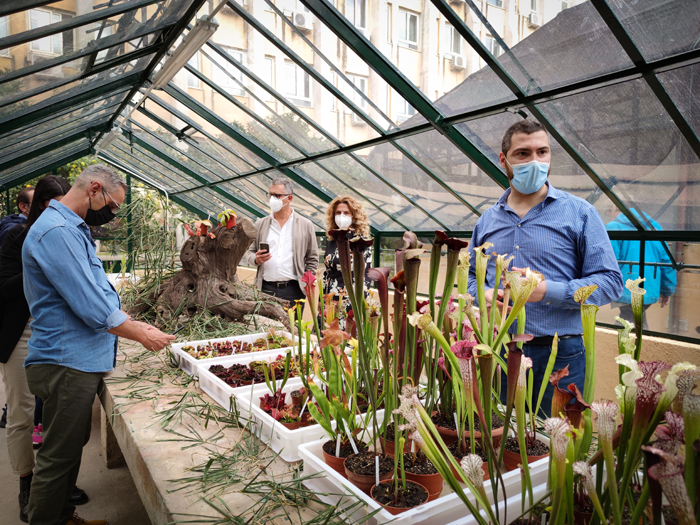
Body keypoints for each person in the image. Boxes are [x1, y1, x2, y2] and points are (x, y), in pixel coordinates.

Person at [22, 164, 175, 525]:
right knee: (57, 457)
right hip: (65, 361)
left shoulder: (71, 230)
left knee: (68, 449)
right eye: (113, 205)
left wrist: (132, 321)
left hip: (75, 359)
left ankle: (63, 516)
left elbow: (96, 296)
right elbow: (90, 304)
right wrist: (140, 333)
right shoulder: (58, 231)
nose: (113, 213)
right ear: (94, 189)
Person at [467, 120, 623, 418]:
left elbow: (610, 281)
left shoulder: (579, 213)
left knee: (557, 444)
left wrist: (548, 291)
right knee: (501, 436)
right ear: (504, 160)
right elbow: (470, 277)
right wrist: (484, 293)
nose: (535, 162)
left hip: (559, 352)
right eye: (523, 154)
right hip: (499, 348)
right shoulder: (487, 220)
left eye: (542, 152)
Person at [0, 176, 81, 522]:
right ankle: (26, 482)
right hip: (24, 333)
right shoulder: (18, 236)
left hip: (61, 333)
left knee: (58, 412)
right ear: (39, 205)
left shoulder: (74, 234)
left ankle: (56, 483)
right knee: (21, 412)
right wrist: (40, 265)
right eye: (55, 205)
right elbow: (3, 287)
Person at [242, 177, 319, 310]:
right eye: (270, 194)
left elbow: (312, 258)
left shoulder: (305, 225)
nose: (273, 199)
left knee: (292, 329)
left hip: (293, 290)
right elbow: (249, 252)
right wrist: (256, 259)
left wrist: (306, 282)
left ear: (289, 198)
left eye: (277, 195)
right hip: (265, 289)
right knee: (266, 328)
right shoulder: (261, 224)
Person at [606, 208, 677, 330]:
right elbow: (666, 260)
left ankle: (631, 346)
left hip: (626, 288)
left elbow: (609, 262)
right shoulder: (654, 226)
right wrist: (666, 290)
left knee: (628, 322)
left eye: (609, 210)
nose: (610, 214)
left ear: (617, 210)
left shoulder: (613, 227)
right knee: (635, 319)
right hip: (650, 287)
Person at [0, 186, 33, 430]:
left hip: (34, 323)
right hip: (18, 324)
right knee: (21, 402)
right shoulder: (14, 232)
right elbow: (6, 284)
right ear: (24, 207)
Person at [322, 196, 372, 329]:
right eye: (338, 213)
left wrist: (360, 302)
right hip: (330, 299)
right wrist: (322, 301)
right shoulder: (332, 240)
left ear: (354, 216)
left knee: (347, 341)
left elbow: (366, 275)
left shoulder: (360, 241)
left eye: (346, 213)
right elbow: (326, 273)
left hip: (351, 299)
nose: (341, 216)